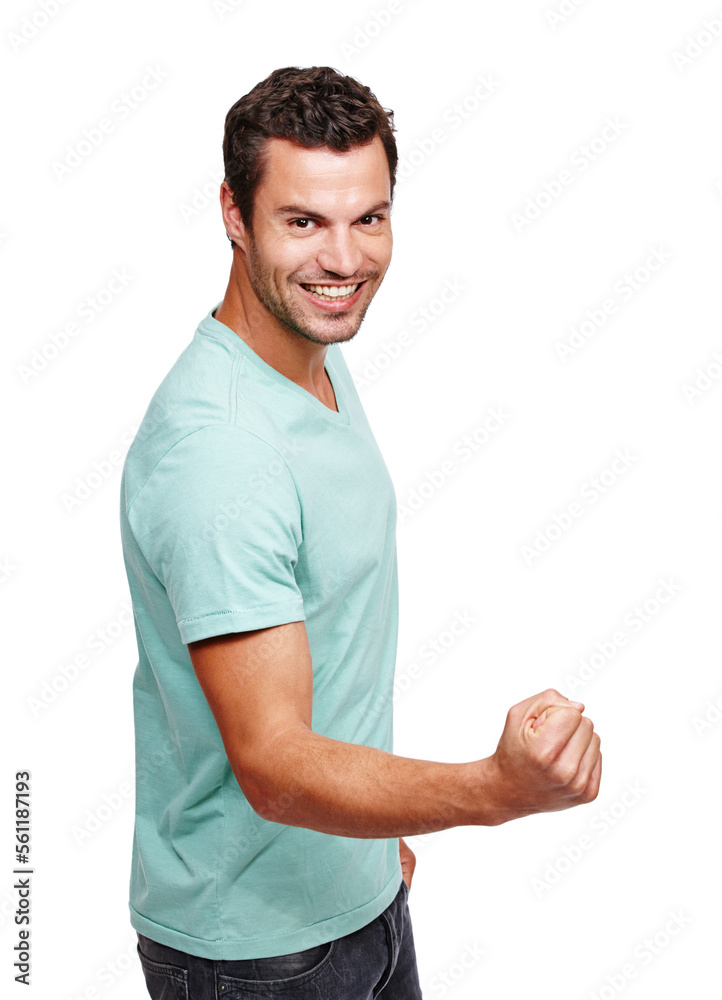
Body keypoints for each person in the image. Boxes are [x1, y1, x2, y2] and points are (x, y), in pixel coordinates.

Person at [119, 65, 602, 1000]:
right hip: (257, 957)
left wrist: (373, 846)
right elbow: (273, 767)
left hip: (354, 900)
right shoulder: (219, 453)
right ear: (233, 210)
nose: (343, 259)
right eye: (303, 221)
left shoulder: (306, 355)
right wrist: (496, 789)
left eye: (368, 218)